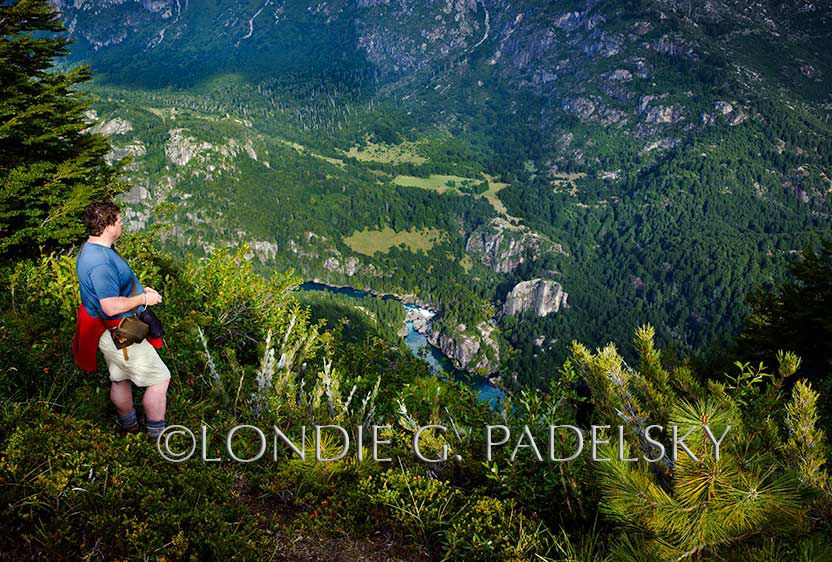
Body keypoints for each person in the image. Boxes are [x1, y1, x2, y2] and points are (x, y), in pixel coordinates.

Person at [72, 201, 170, 441]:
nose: (122, 222)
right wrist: (144, 298)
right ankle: (156, 437)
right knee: (160, 379)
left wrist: (135, 291)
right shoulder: (100, 263)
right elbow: (109, 305)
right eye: (118, 219)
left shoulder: (93, 249)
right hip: (119, 332)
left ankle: (130, 428)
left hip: (106, 332)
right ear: (107, 226)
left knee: (119, 378)